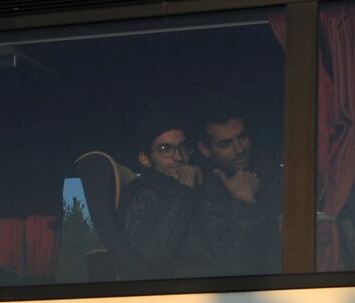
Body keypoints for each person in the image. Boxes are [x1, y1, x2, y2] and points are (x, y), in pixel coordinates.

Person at [118, 104, 211, 276]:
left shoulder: (192, 187)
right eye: (165, 149)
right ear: (145, 159)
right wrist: (185, 188)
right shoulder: (143, 193)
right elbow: (153, 253)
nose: (179, 156)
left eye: (183, 147)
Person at [194, 100, 283, 274]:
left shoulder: (268, 171)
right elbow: (231, 265)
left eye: (242, 137)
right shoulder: (202, 192)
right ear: (205, 149)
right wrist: (244, 200)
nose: (240, 149)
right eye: (225, 144)